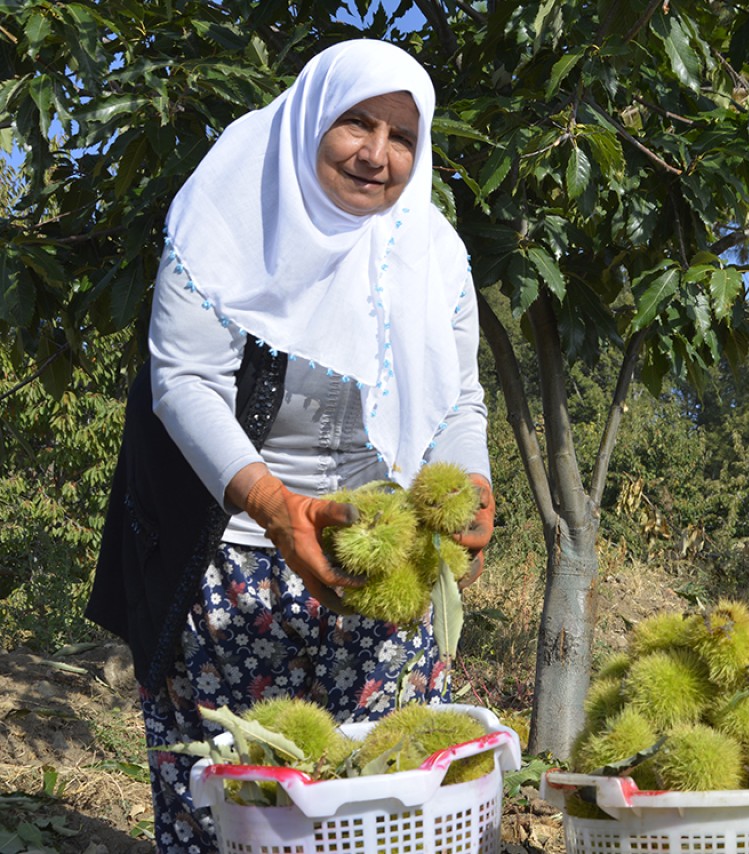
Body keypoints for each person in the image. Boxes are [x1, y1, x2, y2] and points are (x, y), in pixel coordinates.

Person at [86, 40, 494, 853]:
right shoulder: (230, 219)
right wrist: (276, 508)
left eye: (403, 137)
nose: (377, 154)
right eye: (356, 123)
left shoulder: (434, 253)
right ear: (312, 119)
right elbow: (184, 380)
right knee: (236, 798)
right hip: (231, 561)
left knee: (383, 798)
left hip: (380, 561)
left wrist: (471, 485)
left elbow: (458, 398)